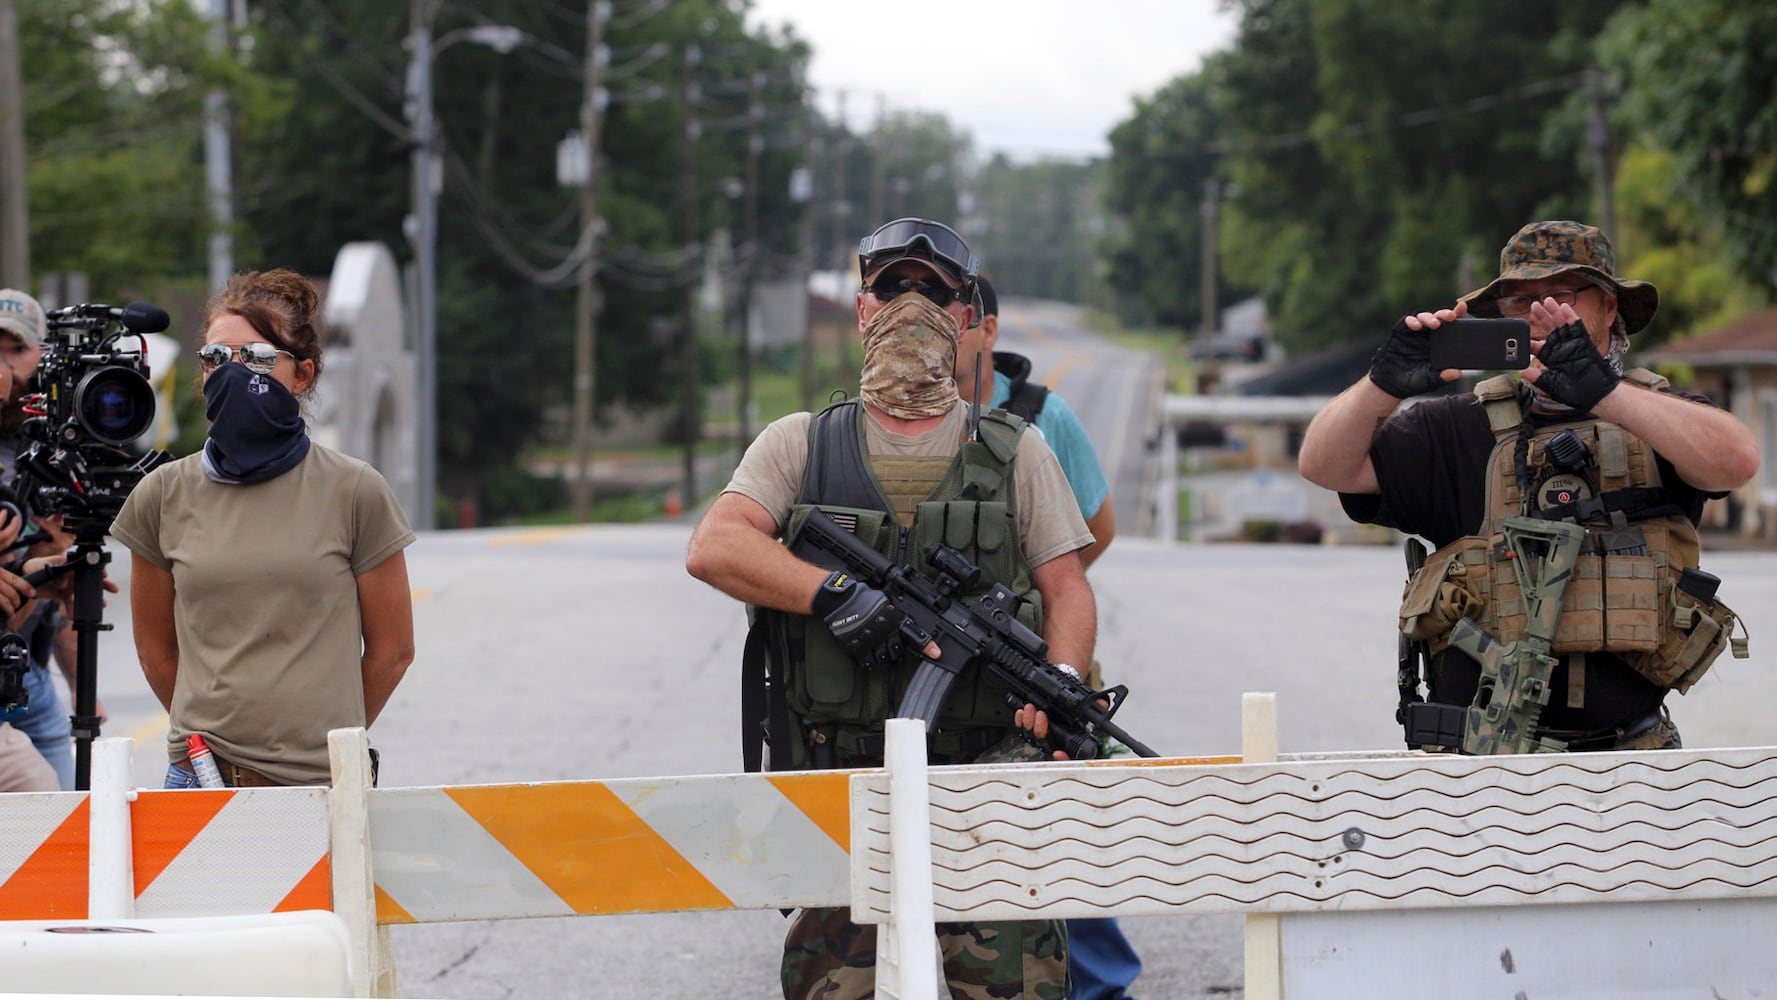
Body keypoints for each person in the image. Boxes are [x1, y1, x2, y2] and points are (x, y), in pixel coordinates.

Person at [686, 218, 1094, 999]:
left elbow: (1067, 587)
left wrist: (1063, 675)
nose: (911, 302)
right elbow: (714, 546)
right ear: (862, 308)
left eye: (934, 290)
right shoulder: (799, 444)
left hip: (986, 783)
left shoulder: (1016, 450)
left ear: (968, 319)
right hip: (841, 782)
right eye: (890, 285)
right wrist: (830, 592)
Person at [1298, 220, 1759, 753]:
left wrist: (1604, 392)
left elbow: (1737, 463)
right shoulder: (1454, 428)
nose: (1538, 314)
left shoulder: (1657, 421)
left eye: (1560, 296)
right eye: (1520, 301)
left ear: (1609, 308)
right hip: (1476, 766)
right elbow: (1324, 465)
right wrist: (1381, 385)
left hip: (1631, 760)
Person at [109, 269, 416, 788]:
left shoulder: (355, 491)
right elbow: (156, 650)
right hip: (199, 777)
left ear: (303, 375)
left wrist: (324, 733)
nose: (232, 372)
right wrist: (212, 732)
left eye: (255, 357)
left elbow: (393, 650)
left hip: (320, 781)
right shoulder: (161, 495)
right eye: (215, 358)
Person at [963, 275, 1139, 999]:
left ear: (987, 329)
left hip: (1039, 654)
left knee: (1070, 828)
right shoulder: (888, 417)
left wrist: (1033, 604)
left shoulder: (1040, 414)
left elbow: (1094, 528)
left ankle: (1098, 984)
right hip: (946, 650)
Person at [0, 288, 80, 788]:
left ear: (43, 354)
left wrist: (81, 689)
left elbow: (64, 579)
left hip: (27, 665)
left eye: (15, 348)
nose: (3, 366)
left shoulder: (57, 442)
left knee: (69, 820)